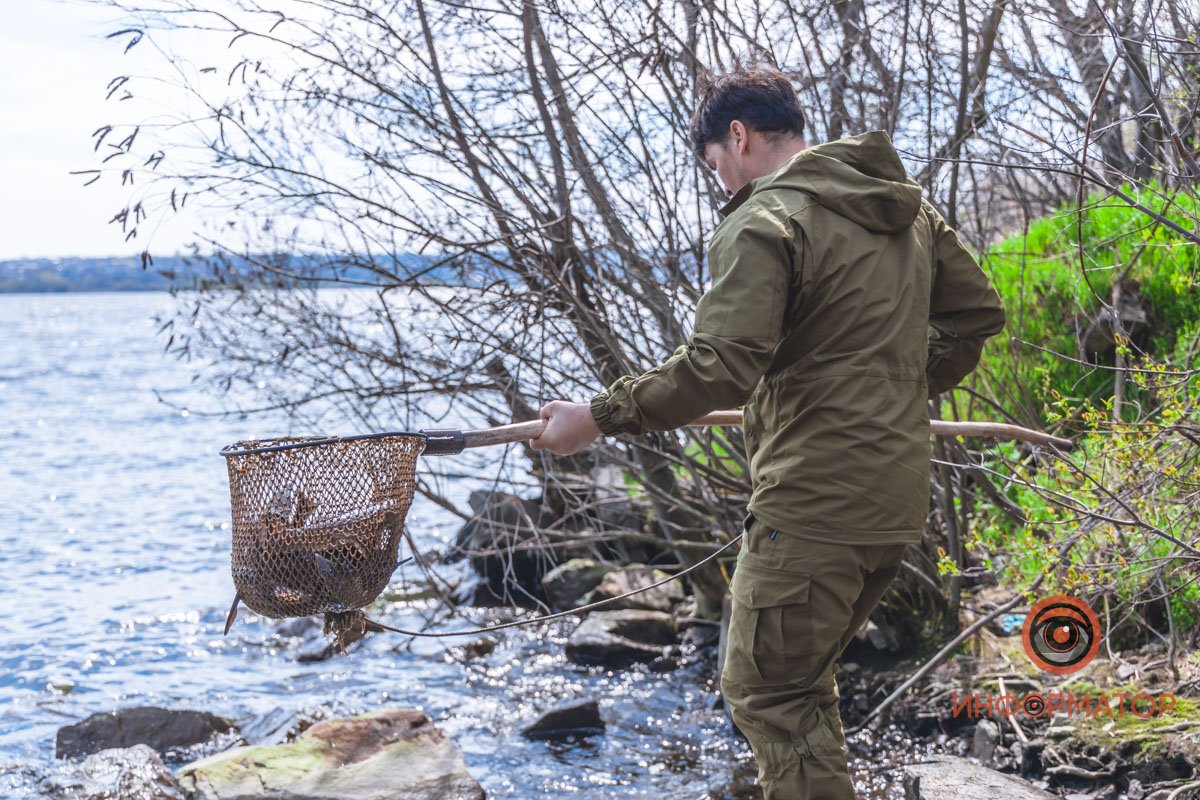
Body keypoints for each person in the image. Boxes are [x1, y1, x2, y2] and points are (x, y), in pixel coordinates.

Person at [528, 65, 1006, 799]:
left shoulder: (764, 220)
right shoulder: (904, 211)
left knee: (768, 695)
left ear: (739, 136)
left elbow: (719, 366)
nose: (720, 182)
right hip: (894, 504)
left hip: (814, 504)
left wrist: (597, 416)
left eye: (715, 163)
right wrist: (888, 387)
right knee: (802, 687)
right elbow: (976, 318)